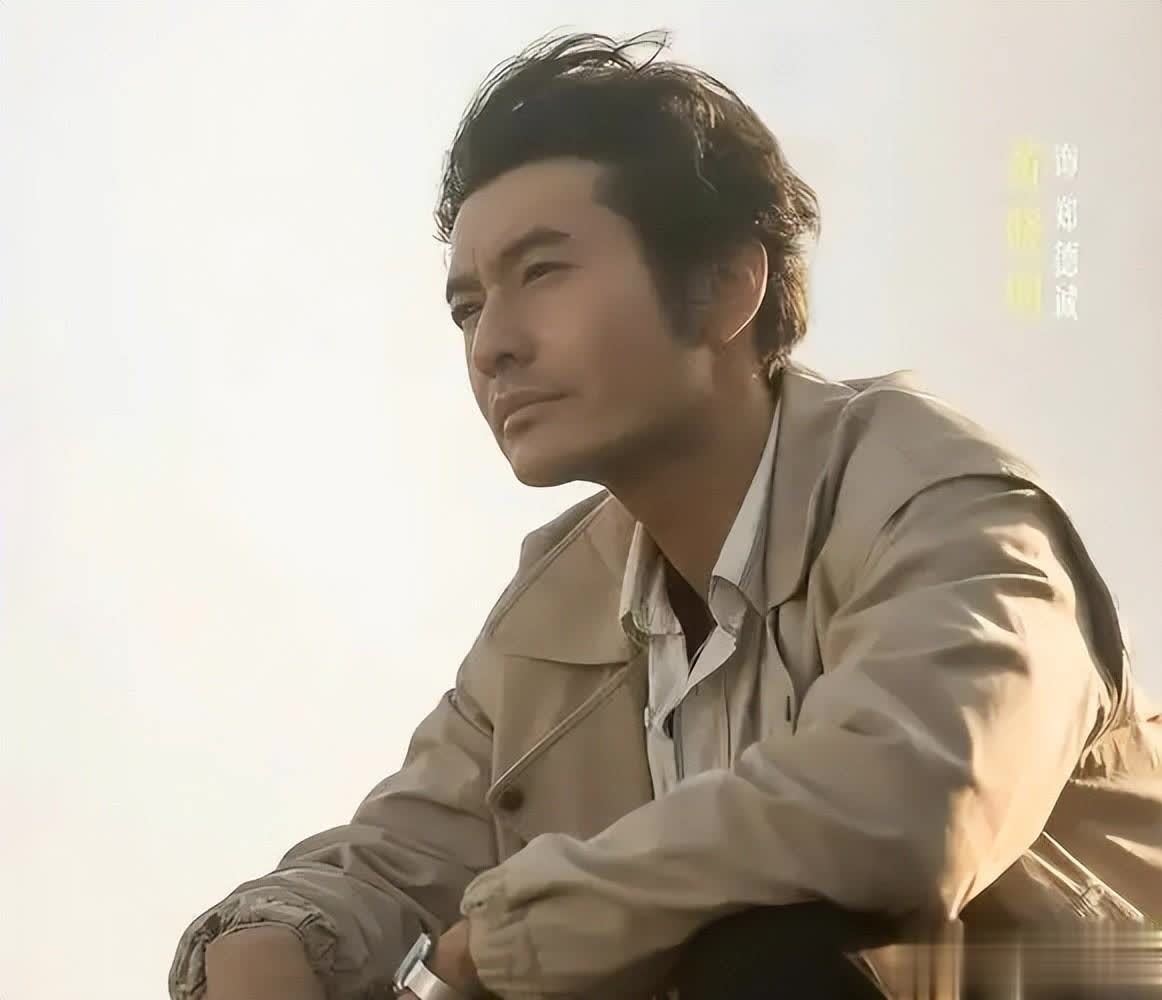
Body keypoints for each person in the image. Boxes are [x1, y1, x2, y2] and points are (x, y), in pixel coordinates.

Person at [169, 30, 1162, 1000]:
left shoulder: (938, 501)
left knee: (775, 950)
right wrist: (272, 937)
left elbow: (912, 804)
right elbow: (394, 861)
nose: (493, 345)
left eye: (542, 272)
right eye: (468, 307)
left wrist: (496, 949)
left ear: (727, 286)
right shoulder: (550, 615)